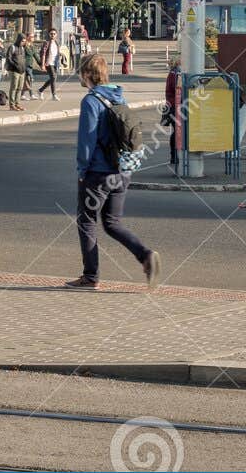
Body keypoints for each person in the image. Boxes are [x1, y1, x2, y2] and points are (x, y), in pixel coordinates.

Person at [66, 52, 160, 291]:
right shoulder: (119, 97)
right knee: (112, 222)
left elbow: (86, 140)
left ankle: (90, 277)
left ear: (87, 74)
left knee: (86, 222)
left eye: (80, 71)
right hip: (122, 171)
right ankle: (145, 255)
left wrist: (81, 169)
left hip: (97, 172)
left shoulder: (91, 101)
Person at [163, 54, 181, 172]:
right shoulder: (175, 75)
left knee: (175, 131)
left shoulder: (173, 74)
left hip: (173, 105)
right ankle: (174, 156)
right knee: (176, 132)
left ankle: (174, 156)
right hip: (176, 106)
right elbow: (178, 88)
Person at [5, 34, 29, 111]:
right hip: (14, 70)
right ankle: (12, 105)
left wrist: (24, 67)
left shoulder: (22, 48)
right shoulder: (12, 47)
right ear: (19, 40)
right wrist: (15, 65)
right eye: (22, 41)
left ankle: (17, 104)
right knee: (14, 87)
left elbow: (24, 58)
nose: (23, 43)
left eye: (24, 41)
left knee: (20, 88)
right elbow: (8, 58)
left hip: (22, 71)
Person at [40, 28, 61, 101]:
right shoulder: (47, 43)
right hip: (48, 63)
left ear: (56, 35)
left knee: (53, 78)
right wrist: (43, 64)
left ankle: (40, 90)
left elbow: (57, 53)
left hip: (55, 63)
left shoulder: (57, 43)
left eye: (54, 34)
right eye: (51, 34)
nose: (52, 35)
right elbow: (43, 54)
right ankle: (54, 95)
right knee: (53, 77)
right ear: (49, 34)